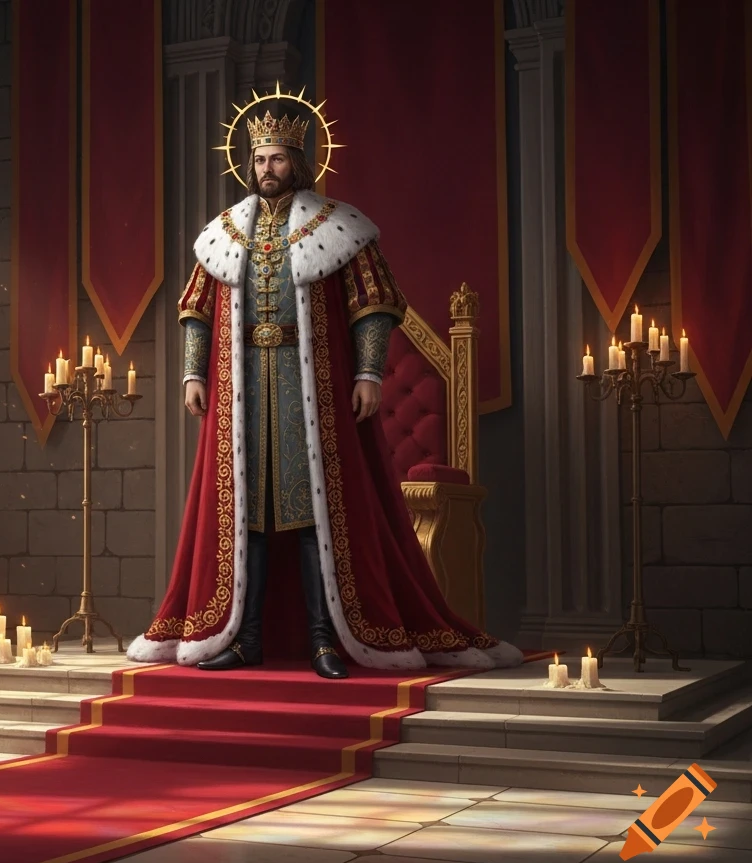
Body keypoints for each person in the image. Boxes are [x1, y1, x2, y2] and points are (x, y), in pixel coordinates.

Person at [126, 109, 522, 677]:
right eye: (259, 159)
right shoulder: (226, 231)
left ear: (297, 162)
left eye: (276, 159)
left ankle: (323, 640)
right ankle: (246, 639)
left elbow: (375, 305)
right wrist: (193, 374)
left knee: (315, 514)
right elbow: (197, 309)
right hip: (242, 395)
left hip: (314, 390)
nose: (267, 168)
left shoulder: (336, 226)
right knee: (249, 518)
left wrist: (369, 374)